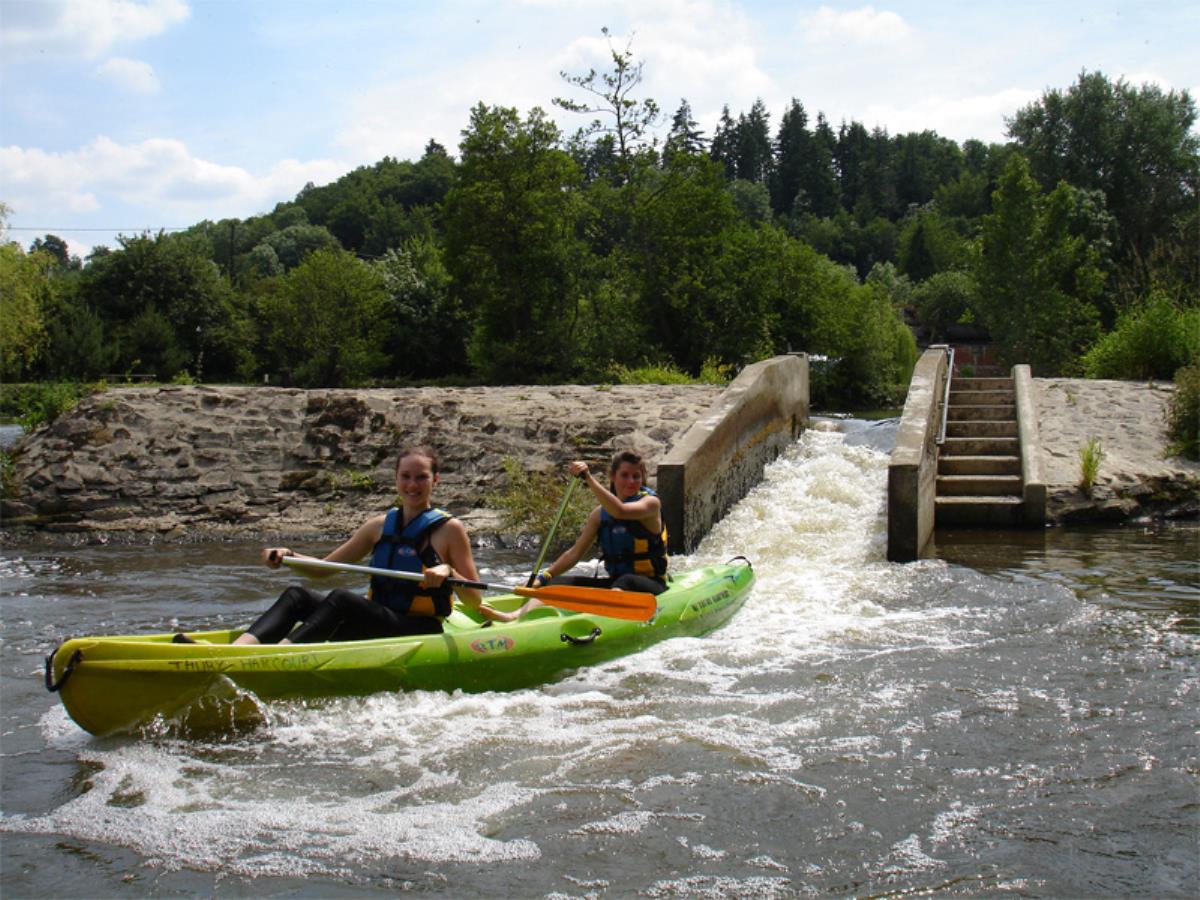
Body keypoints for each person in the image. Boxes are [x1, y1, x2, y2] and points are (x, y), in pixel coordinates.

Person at [182, 446, 517, 646]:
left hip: (416, 627)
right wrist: (288, 555)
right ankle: (241, 651)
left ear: (435, 480)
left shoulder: (450, 530)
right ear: (396, 478)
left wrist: (448, 571)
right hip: (379, 618)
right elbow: (321, 571)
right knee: (297, 595)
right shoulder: (378, 526)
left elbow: (474, 601)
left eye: (421, 477)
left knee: (342, 600)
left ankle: (276, 654)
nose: (412, 485)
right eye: (405, 476)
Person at [533, 450, 670, 596]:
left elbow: (620, 511)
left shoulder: (651, 504)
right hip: (616, 583)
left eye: (636, 476)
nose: (631, 481)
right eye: (624, 475)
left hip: (651, 584)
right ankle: (515, 616)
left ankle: (609, 611)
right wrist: (544, 577)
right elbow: (574, 553)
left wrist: (588, 478)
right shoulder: (599, 514)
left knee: (626, 581)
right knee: (554, 584)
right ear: (612, 476)